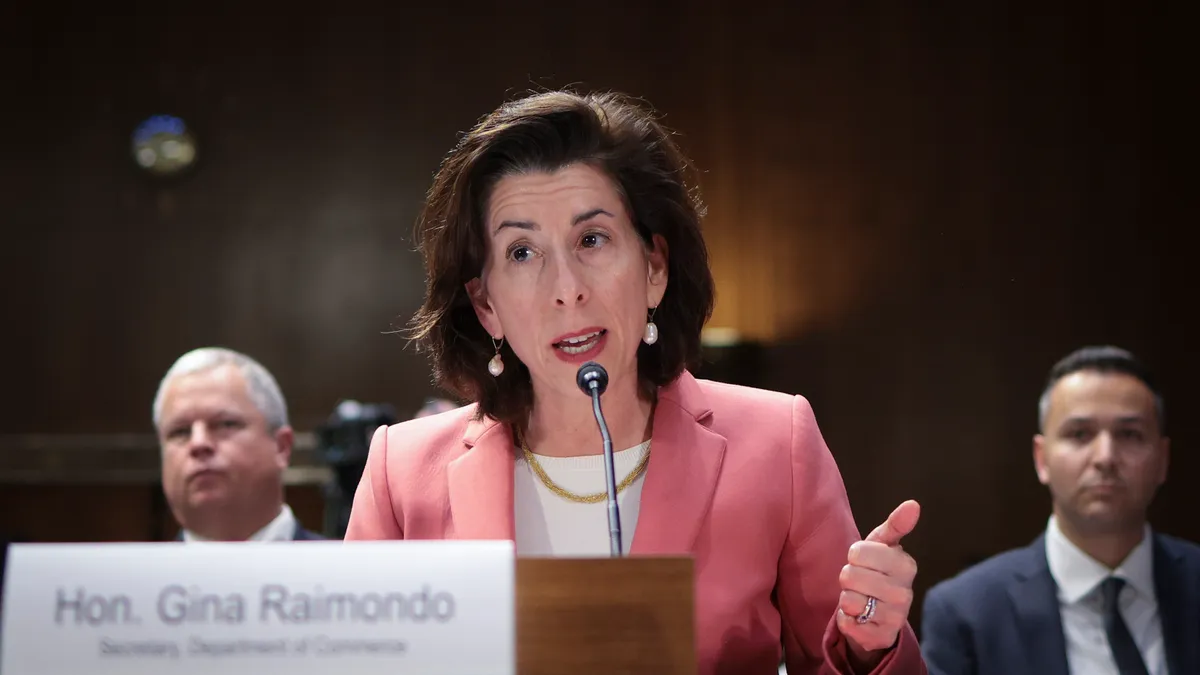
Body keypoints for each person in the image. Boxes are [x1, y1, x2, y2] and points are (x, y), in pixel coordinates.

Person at [344, 90, 926, 674]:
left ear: (654, 268)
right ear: (486, 305)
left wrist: (869, 643)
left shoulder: (777, 444)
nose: (565, 287)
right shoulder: (402, 471)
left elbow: (837, 661)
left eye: (591, 240)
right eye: (522, 252)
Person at [920, 346, 1200, 675]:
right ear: (1041, 459)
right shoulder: (966, 613)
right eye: (1079, 434)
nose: (1105, 457)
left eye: (1130, 434)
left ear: (1163, 459)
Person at [153, 347, 324, 541]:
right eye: (180, 432)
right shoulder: (137, 572)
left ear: (281, 447)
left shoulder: (343, 568)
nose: (199, 443)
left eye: (225, 424)